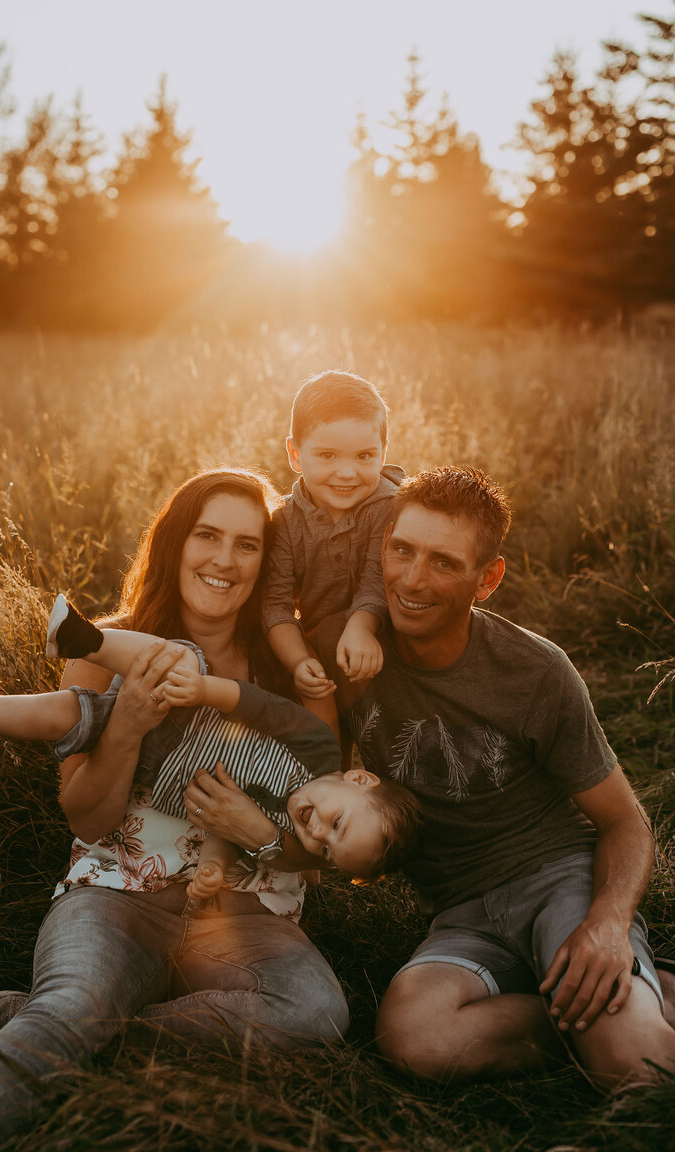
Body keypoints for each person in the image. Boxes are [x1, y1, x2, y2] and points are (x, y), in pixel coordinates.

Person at [192, 465, 675, 1091]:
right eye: (401, 551)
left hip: (559, 881)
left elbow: (624, 822)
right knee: (413, 1039)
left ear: (488, 578)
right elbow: (305, 776)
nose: (412, 581)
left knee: (636, 1067)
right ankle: (631, 1001)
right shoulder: (346, 654)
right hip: (460, 916)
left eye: (444, 562)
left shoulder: (535, 672)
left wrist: (606, 929)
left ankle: (619, 1006)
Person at [0, 469, 353, 1152]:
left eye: (246, 544)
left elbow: (317, 840)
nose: (223, 561)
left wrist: (256, 832)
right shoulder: (105, 647)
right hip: (118, 894)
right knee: (78, 998)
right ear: (176, 543)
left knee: (316, 1011)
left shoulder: (295, 673)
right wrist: (127, 727)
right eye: (207, 536)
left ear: (267, 563)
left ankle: (66, 1026)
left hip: (244, 917)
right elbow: (87, 819)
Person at [0, 596, 420, 893]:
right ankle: (87, 640)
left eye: (326, 849)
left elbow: (221, 827)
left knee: (67, 714)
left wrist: (214, 867)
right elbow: (263, 708)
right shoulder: (320, 752)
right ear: (358, 777)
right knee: (183, 661)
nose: (316, 832)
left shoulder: (282, 829)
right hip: (189, 707)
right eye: (337, 822)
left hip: (148, 761)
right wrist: (205, 690)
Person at [262, 370, 404, 701]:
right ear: (295, 454)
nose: (346, 472)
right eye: (327, 455)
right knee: (322, 724)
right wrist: (299, 661)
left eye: (364, 456)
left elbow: (377, 576)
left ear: (383, 453)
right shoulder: (283, 520)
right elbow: (275, 603)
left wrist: (362, 626)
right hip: (315, 647)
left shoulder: (391, 505)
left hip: (387, 640)